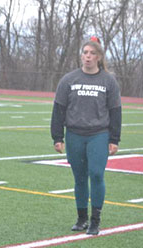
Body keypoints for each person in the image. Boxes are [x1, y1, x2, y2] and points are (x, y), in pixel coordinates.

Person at [51, 38, 121, 235]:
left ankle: (95, 220)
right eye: (85, 52)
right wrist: (57, 137)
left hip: (98, 134)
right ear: (81, 55)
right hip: (74, 134)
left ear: (98, 57)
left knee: (97, 174)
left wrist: (114, 139)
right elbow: (59, 110)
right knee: (79, 178)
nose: (88, 56)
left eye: (92, 53)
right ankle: (81, 218)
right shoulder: (69, 80)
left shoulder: (108, 81)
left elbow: (115, 111)